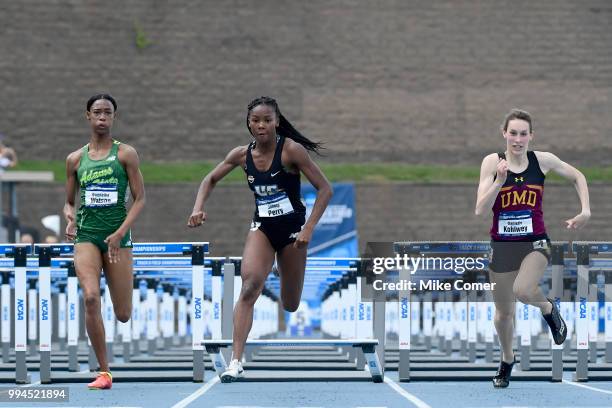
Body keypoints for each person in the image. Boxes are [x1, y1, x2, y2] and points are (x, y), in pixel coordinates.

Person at [188, 96, 332, 382]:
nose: (261, 125)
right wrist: (198, 207)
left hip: (293, 234)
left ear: (277, 122)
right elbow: (210, 179)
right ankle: (236, 361)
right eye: (255, 121)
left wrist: (309, 229)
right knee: (250, 285)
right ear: (249, 124)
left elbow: (325, 189)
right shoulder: (241, 155)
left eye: (267, 120)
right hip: (263, 229)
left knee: (290, 304)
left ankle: (281, 265)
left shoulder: (292, 151)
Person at [475, 108, 590, 388]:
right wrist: (499, 182)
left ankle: (549, 308)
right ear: (504, 134)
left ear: (531, 136)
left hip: (535, 242)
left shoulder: (542, 161)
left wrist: (585, 210)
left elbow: (578, 177)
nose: (517, 139)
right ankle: (507, 359)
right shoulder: (493, 162)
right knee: (503, 316)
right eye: (512, 133)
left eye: (523, 134)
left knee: (523, 290)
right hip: (502, 245)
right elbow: (480, 209)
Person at [64, 94, 145, 390]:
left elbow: (140, 199)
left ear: (113, 117)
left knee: (123, 314)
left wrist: (121, 231)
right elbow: (69, 204)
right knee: (90, 297)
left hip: (118, 238)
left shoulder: (125, 154)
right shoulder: (75, 160)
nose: (102, 117)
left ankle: (116, 317)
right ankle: (104, 372)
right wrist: (70, 219)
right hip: (87, 237)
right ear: (87, 115)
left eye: (107, 113)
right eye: (97, 112)